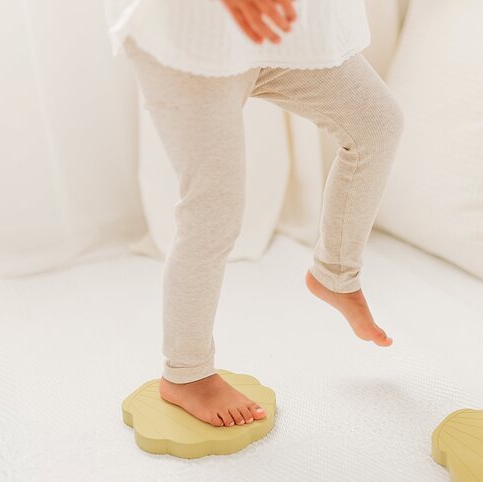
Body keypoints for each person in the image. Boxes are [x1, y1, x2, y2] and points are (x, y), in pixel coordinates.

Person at [103, 0, 404, 427]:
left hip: (282, 30)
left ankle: (335, 274)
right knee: (214, 208)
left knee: (376, 123)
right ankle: (186, 371)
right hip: (190, 34)